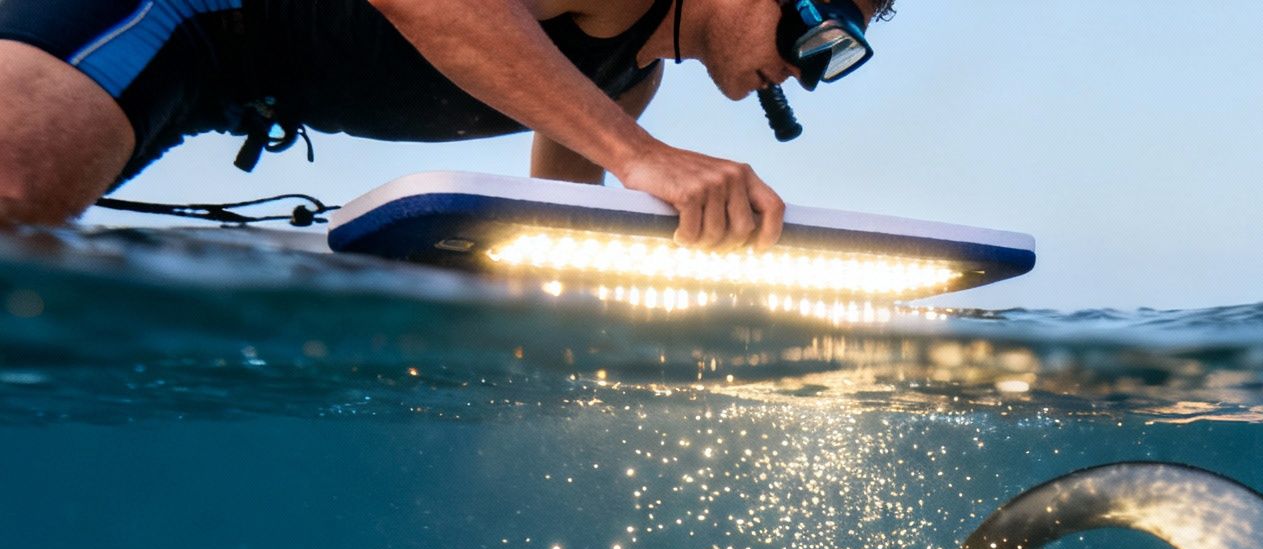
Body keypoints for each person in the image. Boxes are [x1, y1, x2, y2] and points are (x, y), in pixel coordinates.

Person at [0, 0, 885, 248]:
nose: (811, 69)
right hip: (166, 12)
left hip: (225, 87)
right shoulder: (628, 120)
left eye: (837, 58)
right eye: (823, 32)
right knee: (13, 199)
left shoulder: (626, 85)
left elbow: (557, 238)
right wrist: (642, 160)